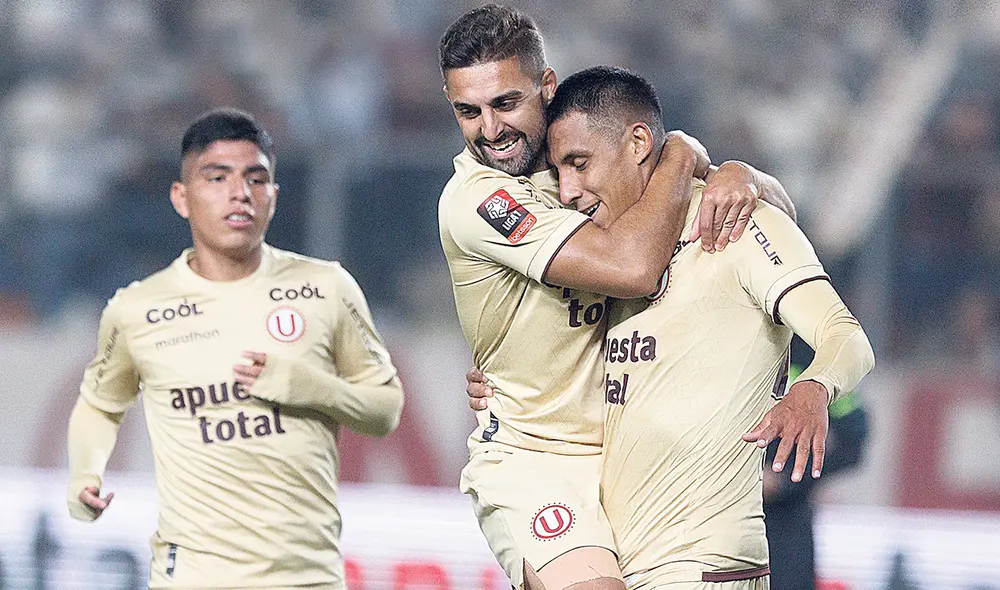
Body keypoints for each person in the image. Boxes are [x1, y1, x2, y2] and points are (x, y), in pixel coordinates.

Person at [437, 5, 796, 589]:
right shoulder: (478, 199)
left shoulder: (581, 163)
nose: (489, 130)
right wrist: (680, 148)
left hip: (631, 459)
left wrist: (745, 177)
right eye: (467, 111)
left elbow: (779, 217)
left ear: (546, 87)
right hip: (539, 459)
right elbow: (632, 268)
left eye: (505, 103)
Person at [542, 66, 875, 589]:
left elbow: (845, 335)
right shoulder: (601, 262)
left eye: (579, 164)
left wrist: (812, 387)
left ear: (637, 142)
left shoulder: (737, 223)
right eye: (559, 171)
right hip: (614, 562)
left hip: (704, 565)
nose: (568, 190)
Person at [66, 108, 404, 590]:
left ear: (274, 196)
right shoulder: (137, 309)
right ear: (181, 198)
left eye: (256, 178)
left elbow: (386, 408)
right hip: (192, 577)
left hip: (308, 577)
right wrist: (84, 476)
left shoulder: (326, 287)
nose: (239, 193)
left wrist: (314, 388)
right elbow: (100, 406)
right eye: (217, 177)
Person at [763, 346, 870, 590]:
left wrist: (786, 480)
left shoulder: (815, 359)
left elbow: (852, 442)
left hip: (785, 524)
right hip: (719, 515)